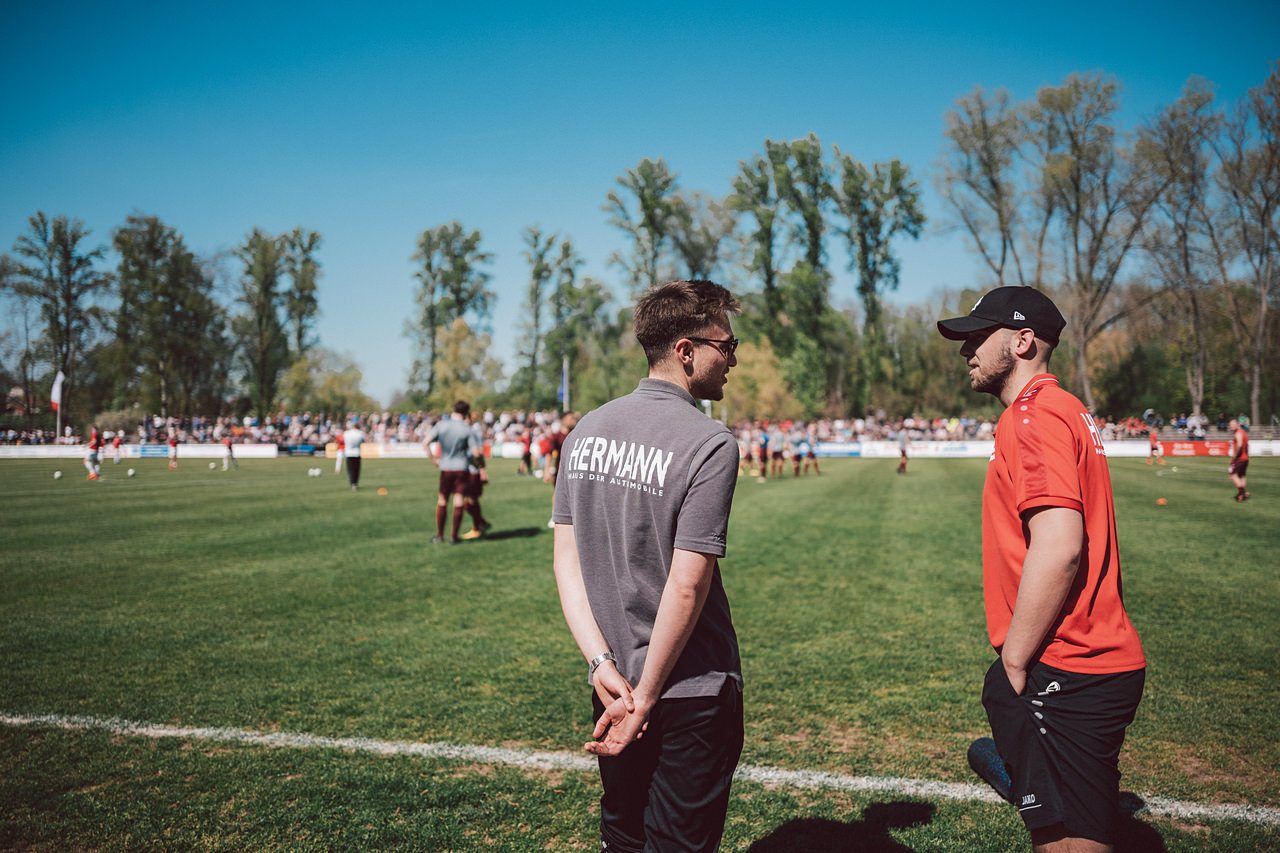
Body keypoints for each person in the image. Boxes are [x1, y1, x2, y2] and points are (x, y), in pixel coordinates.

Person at [938, 286, 1146, 853]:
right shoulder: (1067, 407)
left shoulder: (1030, 416)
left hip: (1069, 665)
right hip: (1091, 660)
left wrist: (1012, 661)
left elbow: (1059, 547)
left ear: (1023, 341)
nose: (966, 351)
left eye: (978, 338)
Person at [553, 279, 745, 853]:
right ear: (686, 350)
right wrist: (650, 696)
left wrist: (599, 663)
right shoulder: (711, 442)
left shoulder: (584, 430)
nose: (732, 360)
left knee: (622, 832)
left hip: (613, 686)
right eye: (727, 347)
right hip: (689, 689)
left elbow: (566, 564)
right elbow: (686, 585)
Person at [426, 401, 479, 544]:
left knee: (442, 499)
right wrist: (478, 464)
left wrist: (433, 460)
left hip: (446, 467)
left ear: (452, 409)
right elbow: (476, 453)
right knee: (459, 499)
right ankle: (454, 537)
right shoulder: (467, 429)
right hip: (462, 468)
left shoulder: (441, 425)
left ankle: (439, 535)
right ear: (466, 412)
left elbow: (425, 442)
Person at [1228, 418, 1249, 502]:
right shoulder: (1243, 432)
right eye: (1230, 425)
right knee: (1241, 476)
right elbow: (1247, 446)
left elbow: (1239, 445)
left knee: (1233, 475)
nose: (1231, 426)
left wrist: (1235, 456)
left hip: (1239, 458)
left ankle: (1242, 494)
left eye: (1233, 424)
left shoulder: (1238, 433)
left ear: (1237, 424)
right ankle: (1242, 494)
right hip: (1245, 458)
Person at [342, 420, 365, 491]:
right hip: (357, 453)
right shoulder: (360, 433)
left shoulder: (346, 433)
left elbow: (344, 441)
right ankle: (355, 483)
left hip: (349, 453)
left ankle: (352, 483)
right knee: (356, 470)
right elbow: (362, 441)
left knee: (350, 470)